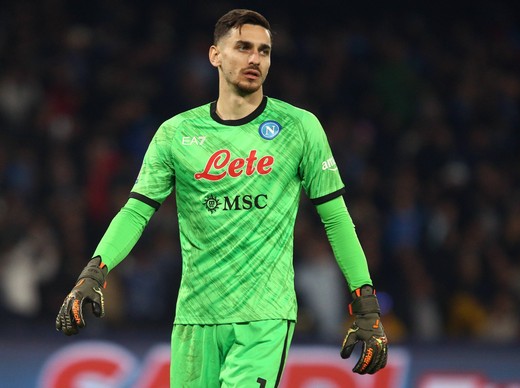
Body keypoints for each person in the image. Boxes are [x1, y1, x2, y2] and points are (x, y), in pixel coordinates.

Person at [55, 8, 388, 387]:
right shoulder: (176, 133)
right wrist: (93, 273)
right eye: (243, 47)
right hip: (194, 318)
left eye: (263, 51)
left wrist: (365, 303)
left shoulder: (300, 127)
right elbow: (137, 211)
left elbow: (337, 219)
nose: (254, 59)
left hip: (264, 316)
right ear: (215, 55)